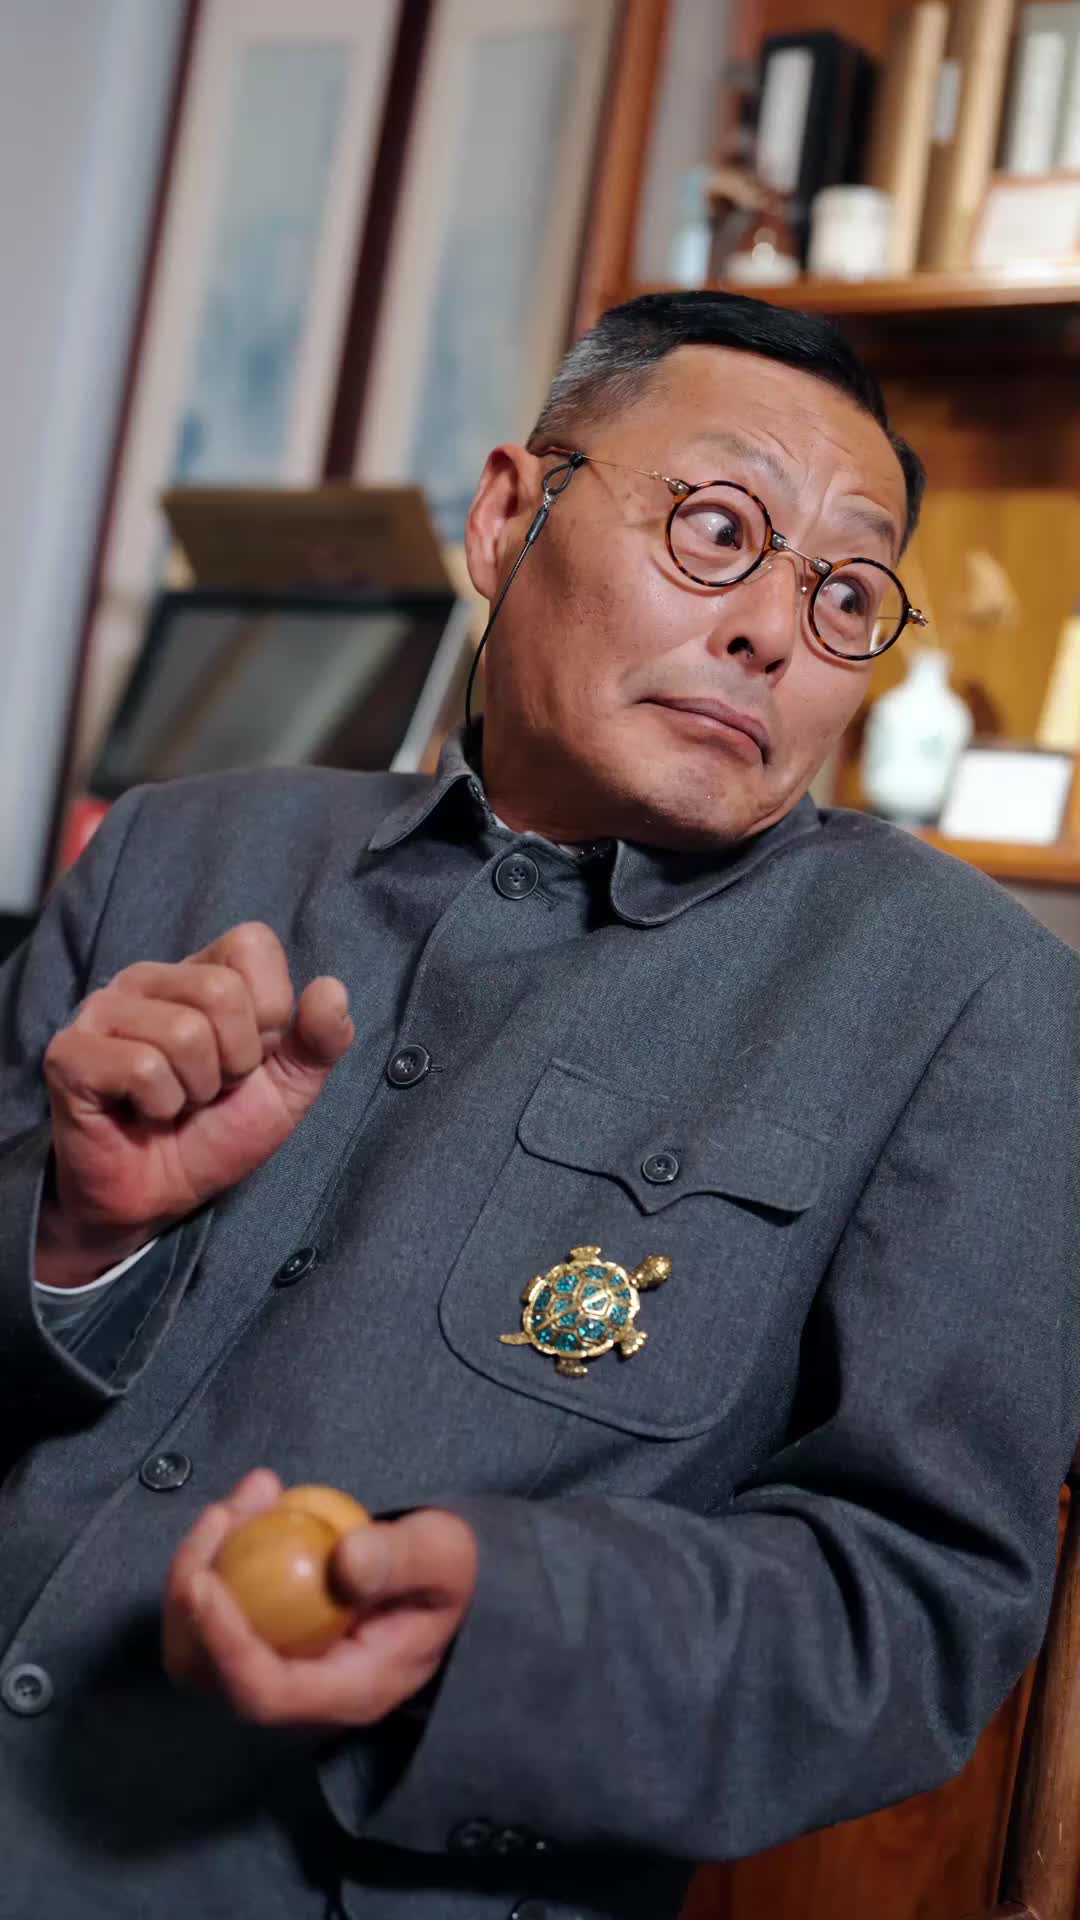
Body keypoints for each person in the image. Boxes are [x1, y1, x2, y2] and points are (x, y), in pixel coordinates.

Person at [2, 290, 1078, 1920]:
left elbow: (918, 1609)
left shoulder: (971, 1005)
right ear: (510, 518)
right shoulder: (176, 850)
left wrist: (500, 1635)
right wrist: (78, 1237)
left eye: (848, 592)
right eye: (717, 529)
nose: (773, 632)